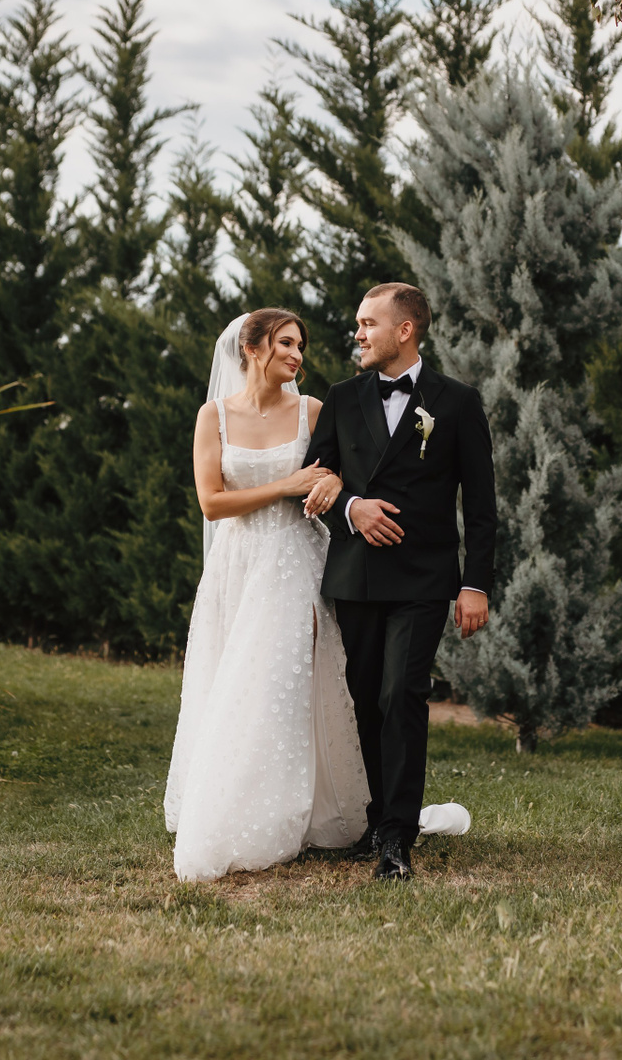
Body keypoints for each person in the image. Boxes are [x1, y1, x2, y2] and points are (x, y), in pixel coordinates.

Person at [163, 309, 369, 882]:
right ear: (251, 349)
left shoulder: (313, 411)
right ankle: (233, 804)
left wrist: (331, 482)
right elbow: (211, 502)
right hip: (236, 563)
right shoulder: (213, 416)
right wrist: (286, 484)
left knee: (284, 679)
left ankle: (300, 811)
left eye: (300, 345)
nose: (297, 355)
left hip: (297, 560)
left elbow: (345, 474)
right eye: (285, 343)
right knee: (234, 680)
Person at [302, 282, 498, 881]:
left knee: (400, 694)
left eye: (369, 323)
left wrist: (475, 585)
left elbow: (481, 505)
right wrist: (351, 508)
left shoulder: (457, 402)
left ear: (405, 330)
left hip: (423, 579)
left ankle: (396, 837)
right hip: (356, 575)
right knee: (365, 698)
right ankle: (375, 819)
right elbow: (312, 478)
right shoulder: (343, 397)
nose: (358, 333)